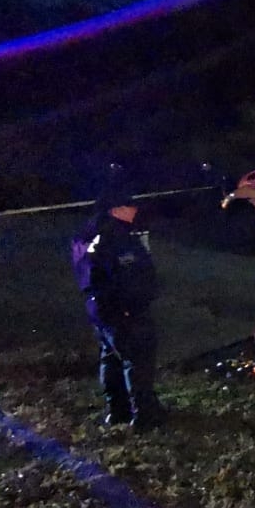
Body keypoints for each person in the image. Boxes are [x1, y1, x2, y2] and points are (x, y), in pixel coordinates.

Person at [70, 178, 168, 430]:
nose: (134, 210)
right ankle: (146, 415)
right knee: (137, 359)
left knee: (111, 358)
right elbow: (129, 273)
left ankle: (117, 411)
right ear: (114, 209)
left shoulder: (87, 233)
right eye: (128, 206)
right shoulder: (117, 237)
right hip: (123, 308)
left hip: (99, 307)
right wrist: (135, 302)